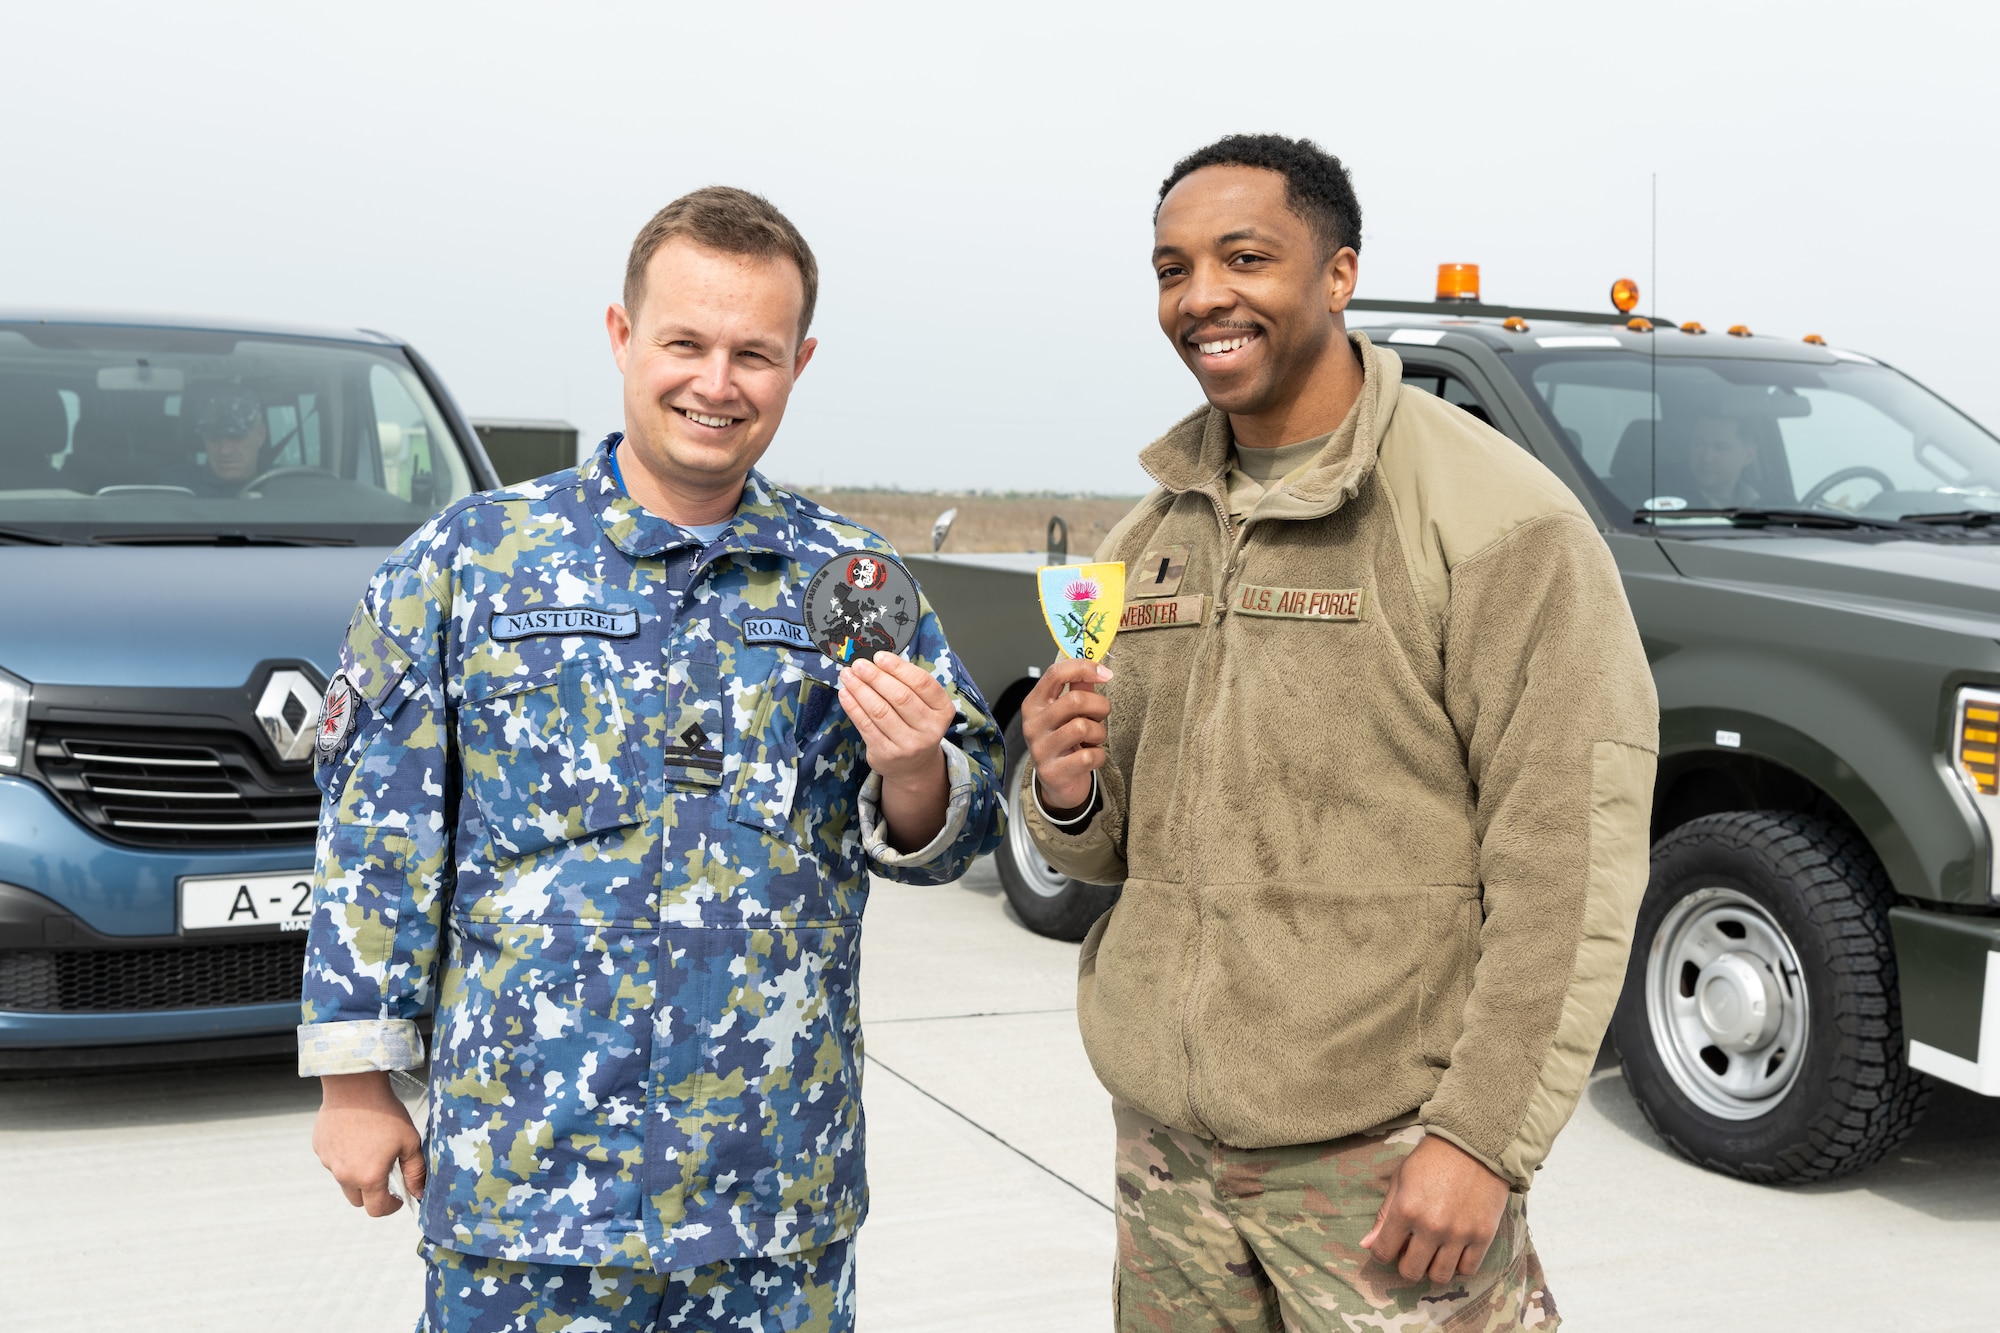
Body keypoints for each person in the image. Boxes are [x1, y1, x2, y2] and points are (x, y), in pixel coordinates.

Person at [300, 186, 1004, 1333]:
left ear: (798, 362)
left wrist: (915, 769)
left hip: (772, 1187)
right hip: (527, 1185)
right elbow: (377, 835)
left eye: (754, 354)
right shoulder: (470, 564)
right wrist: (353, 1084)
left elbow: (950, 830)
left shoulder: (852, 582)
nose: (715, 383)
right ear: (624, 337)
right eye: (685, 341)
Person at [1019, 134, 1659, 1331]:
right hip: (1167, 1170)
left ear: (1335, 274)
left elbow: (1565, 865)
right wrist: (1060, 792)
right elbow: (1105, 853)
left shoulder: (1499, 522)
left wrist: (1480, 1139)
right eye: (1170, 268)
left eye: (1242, 257)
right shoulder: (1146, 539)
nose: (1198, 296)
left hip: (1382, 1174)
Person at [179, 385, 268, 494]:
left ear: (260, 435)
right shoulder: (179, 491)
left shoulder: (285, 486)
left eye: (236, 437)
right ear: (204, 440)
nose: (225, 451)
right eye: (214, 438)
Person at [1685, 412, 1761, 507]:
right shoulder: (1664, 498)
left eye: (1721, 448)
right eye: (1698, 444)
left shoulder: (1765, 503)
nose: (1707, 458)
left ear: (1748, 455)